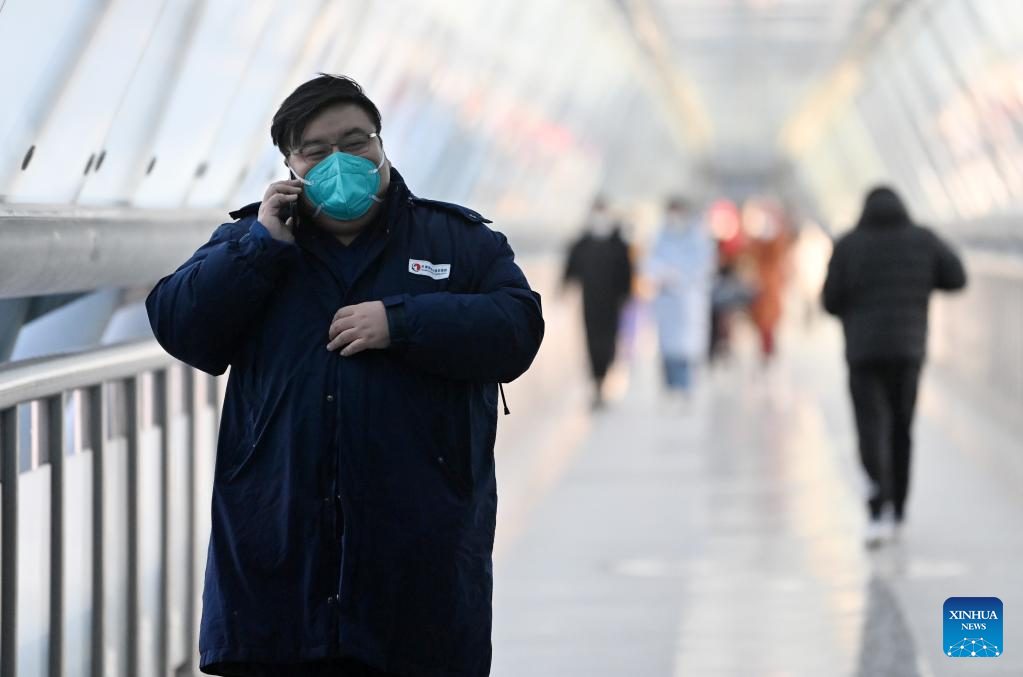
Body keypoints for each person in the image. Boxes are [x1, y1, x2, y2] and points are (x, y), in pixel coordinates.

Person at [146, 74, 544, 676]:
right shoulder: (253, 243)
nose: (340, 161)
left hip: (418, 577)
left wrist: (402, 321)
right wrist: (261, 247)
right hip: (278, 575)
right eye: (316, 150)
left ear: (381, 144)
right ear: (290, 165)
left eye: (356, 142)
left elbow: (517, 328)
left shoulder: (456, 242)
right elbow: (179, 325)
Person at [823, 186, 965, 548]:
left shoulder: (848, 244)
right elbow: (956, 277)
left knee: (870, 428)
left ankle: (877, 507)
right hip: (907, 351)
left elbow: (830, 301)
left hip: (863, 354)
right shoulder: (923, 239)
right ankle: (899, 508)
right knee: (902, 427)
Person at [562, 197, 633, 408]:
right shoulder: (583, 242)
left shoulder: (617, 243)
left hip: (612, 303)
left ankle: (604, 378)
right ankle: (597, 383)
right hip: (590, 302)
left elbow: (626, 272)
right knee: (592, 343)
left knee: (609, 342)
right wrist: (564, 286)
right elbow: (571, 267)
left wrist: (626, 295)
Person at [644, 197, 714, 398]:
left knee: (687, 347)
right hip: (666, 299)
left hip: (689, 299)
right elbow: (649, 262)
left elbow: (704, 266)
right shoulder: (660, 236)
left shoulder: (697, 237)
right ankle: (671, 385)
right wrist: (662, 274)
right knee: (668, 346)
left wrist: (681, 278)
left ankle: (685, 385)